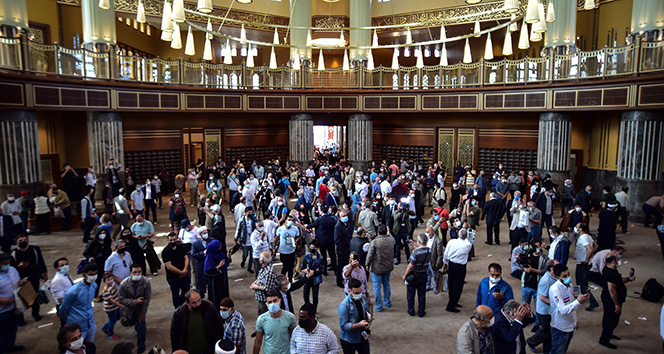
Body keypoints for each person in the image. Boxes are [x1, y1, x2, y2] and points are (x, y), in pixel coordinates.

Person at [549, 264, 591, 354]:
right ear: (557, 277)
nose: (568, 277)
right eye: (564, 276)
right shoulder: (555, 289)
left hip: (570, 325)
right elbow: (563, 310)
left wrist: (575, 321)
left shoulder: (570, 285)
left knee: (564, 349)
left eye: (568, 274)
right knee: (557, 350)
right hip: (560, 327)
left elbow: (572, 304)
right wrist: (578, 302)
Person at [170, 289, 224, 354]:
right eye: (194, 303)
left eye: (199, 300)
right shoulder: (179, 315)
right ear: (187, 302)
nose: (198, 304)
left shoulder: (209, 307)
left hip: (209, 350)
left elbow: (219, 327)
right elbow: (174, 336)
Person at [599, 255, 635, 349]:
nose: (619, 261)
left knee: (613, 320)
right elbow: (612, 290)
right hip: (610, 301)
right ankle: (604, 340)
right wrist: (617, 304)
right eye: (618, 260)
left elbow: (618, 281)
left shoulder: (611, 270)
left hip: (612, 299)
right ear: (614, 262)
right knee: (609, 320)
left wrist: (628, 279)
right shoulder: (610, 273)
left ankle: (609, 334)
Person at [11, 234, 47, 323]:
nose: (23, 242)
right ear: (16, 242)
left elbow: (41, 261)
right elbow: (11, 269)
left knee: (34, 297)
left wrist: (44, 272)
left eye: (25, 240)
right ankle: (20, 318)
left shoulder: (35, 249)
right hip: (20, 280)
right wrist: (18, 266)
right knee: (20, 298)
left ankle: (36, 314)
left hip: (34, 277)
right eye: (21, 241)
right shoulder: (13, 254)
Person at [59, 262, 98, 343]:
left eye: (95, 274)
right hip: (77, 328)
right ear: (84, 275)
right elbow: (62, 310)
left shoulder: (94, 286)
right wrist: (69, 321)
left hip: (90, 325)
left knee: (90, 346)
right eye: (91, 275)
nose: (93, 277)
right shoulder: (73, 292)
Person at [118, 264, 152, 354]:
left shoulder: (146, 282)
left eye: (139, 272)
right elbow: (121, 299)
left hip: (140, 310)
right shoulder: (124, 284)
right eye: (135, 272)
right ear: (130, 273)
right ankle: (130, 322)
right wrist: (134, 302)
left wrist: (143, 313)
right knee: (131, 321)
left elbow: (147, 298)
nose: (137, 274)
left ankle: (141, 346)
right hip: (129, 309)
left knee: (141, 327)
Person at [527, 260, 559, 353]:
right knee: (545, 332)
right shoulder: (546, 280)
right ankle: (531, 342)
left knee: (549, 332)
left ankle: (547, 350)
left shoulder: (554, 277)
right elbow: (542, 298)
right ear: (552, 269)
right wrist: (557, 304)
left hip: (550, 310)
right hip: (544, 312)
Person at [253, 289, 297, 354]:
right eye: (270, 302)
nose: (272, 304)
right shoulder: (261, 319)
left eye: (275, 301)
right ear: (266, 304)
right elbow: (258, 341)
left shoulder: (290, 317)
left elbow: (295, 338)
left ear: (280, 301)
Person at [365, 224, 394, 312]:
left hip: (377, 267)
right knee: (386, 284)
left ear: (378, 232)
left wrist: (367, 264)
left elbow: (370, 255)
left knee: (377, 286)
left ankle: (379, 305)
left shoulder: (375, 242)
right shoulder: (391, 240)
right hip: (388, 266)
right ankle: (387, 302)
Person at [0, 252, 25, 353]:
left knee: (12, 328)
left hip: (14, 305)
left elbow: (17, 281)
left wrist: (21, 282)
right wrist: (1, 300)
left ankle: (11, 345)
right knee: (2, 331)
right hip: (2, 310)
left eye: (8, 262)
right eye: (4, 263)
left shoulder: (12, 270)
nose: (7, 265)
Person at [339, 278, 371, 354]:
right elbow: (344, 326)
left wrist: (367, 329)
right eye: (356, 293)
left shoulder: (362, 298)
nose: (359, 295)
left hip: (362, 337)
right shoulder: (344, 306)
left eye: (360, 292)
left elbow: (366, 314)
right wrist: (359, 324)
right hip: (349, 340)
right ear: (349, 291)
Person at [444, 228, 473, 312]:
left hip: (451, 264)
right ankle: (451, 305)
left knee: (451, 284)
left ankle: (453, 301)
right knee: (458, 286)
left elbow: (446, 253)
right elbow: (469, 240)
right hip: (460, 267)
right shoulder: (467, 244)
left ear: (458, 234)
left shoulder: (451, 242)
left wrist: (445, 262)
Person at [402, 233, 431, 317]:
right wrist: (413, 245)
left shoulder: (415, 252)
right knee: (422, 295)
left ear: (419, 241)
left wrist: (405, 275)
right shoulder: (429, 250)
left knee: (411, 294)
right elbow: (421, 251)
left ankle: (411, 310)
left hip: (414, 276)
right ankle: (421, 311)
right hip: (423, 274)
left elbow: (411, 266)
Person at [573, 223, 599, 311]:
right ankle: (583, 296)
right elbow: (596, 246)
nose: (575, 228)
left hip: (583, 264)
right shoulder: (588, 236)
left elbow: (590, 249)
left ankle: (593, 301)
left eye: (577, 227)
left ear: (580, 229)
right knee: (585, 282)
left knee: (581, 283)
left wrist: (587, 258)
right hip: (586, 264)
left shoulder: (583, 237)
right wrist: (590, 255)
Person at [162, 232, 190, 308]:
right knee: (175, 293)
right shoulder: (165, 252)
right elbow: (169, 266)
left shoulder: (181, 248)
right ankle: (178, 308)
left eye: (174, 239)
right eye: (171, 240)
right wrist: (181, 272)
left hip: (184, 274)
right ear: (168, 241)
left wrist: (185, 270)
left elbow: (186, 258)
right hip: (173, 277)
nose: (173, 242)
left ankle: (184, 305)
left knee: (186, 291)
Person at [251, 252, 279, 324]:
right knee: (260, 315)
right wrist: (255, 282)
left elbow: (267, 288)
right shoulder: (264, 268)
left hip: (264, 298)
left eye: (260, 258)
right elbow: (260, 277)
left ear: (263, 260)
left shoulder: (269, 271)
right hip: (260, 298)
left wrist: (256, 287)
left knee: (265, 317)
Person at [83, 228, 112, 299]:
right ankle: (94, 295)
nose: (103, 235)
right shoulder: (93, 243)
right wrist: (90, 257)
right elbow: (86, 252)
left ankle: (97, 294)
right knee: (95, 280)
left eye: (104, 233)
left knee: (102, 280)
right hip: (95, 264)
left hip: (104, 264)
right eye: (101, 233)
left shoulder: (107, 242)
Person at [300, 239, 325, 313]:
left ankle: (314, 311)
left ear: (317, 248)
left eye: (313, 247)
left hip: (315, 279)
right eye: (311, 247)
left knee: (315, 296)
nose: (312, 249)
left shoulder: (320, 258)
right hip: (307, 277)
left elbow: (322, 270)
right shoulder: (307, 256)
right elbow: (303, 266)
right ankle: (307, 309)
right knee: (306, 295)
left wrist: (313, 272)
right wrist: (305, 270)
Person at [205, 239, 230, 308]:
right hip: (215, 282)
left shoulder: (219, 253)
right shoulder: (210, 258)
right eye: (218, 247)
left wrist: (228, 258)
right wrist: (218, 266)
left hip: (222, 279)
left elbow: (225, 262)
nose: (220, 248)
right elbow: (208, 271)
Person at [275, 215, 300, 282]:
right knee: (286, 266)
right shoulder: (280, 229)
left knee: (291, 267)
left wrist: (295, 242)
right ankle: (282, 279)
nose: (290, 221)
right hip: (283, 251)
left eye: (292, 220)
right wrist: (274, 248)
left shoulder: (295, 229)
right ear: (285, 221)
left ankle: (290, 280)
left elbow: (298, 236)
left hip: (291, 251)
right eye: (289, 220)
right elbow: (276, 238)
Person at [50, 257, 74, 326]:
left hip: (71, 303)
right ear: (57, 268)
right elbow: (60, 298)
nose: (65, 266)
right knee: (67, 326)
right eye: (62, 265)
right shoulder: (57, 280)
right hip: (65, 306)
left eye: (66, 264)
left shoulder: (66, 275)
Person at [101, 272, 124, 340]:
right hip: (110, 308)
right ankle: (110, 334)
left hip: (115, 306)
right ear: (104, 282)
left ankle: (105, 327)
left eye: (111, 279)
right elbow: (111, 300)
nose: (110, 281)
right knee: (113, 320)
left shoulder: (113, 285)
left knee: (117, 317)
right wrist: (120, 305)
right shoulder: (106, 290)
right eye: (108, 280)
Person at [392, 200, 415, 265]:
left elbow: (414, 214)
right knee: (397, 245)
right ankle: (398, 259)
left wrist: (409, 210)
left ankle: (408, 259)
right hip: (397, 231)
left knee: (406, 245)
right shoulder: (396, 212)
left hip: (405, 231)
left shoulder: (407, 212)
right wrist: (400, 212)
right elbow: (396, 218)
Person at [235, 207, 256, 274]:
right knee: (245, 254)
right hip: (245, 240)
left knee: (252, 255)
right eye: (249, 212)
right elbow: (238, 229)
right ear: (245, 213)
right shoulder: (241, 220)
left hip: (252, 241)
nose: (250, 213)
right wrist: (236, 238)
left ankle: (249, 267)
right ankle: (243, 260)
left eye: (251, 212)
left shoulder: (254, 220)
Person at [192, 227, 211, 295]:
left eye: (206, 232)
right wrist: (203, 253)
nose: (206, 234)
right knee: (200, 283)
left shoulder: (211, 241)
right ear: (200, 234)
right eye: (204, 233)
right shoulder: (195, 244)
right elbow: (194, 254)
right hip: (200, 265)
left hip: (210, 265)